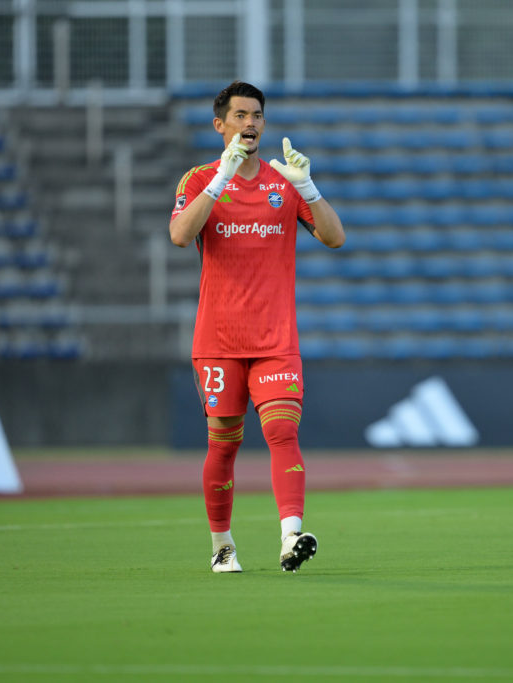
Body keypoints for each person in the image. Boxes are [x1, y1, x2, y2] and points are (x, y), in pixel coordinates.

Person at [169, 81, 345, 574]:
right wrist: (220, 181)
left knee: (283, 433)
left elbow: (335, 237)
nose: (250, 124)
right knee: (223, 445)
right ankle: (222, 545)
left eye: (257, 116)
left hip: (275, 341)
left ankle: (291, 538)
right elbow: (180, 235)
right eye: (240, 115)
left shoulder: (283, 181)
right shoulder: (199, 179)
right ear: (219, 124)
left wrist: (308, 187)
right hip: (219, 342)